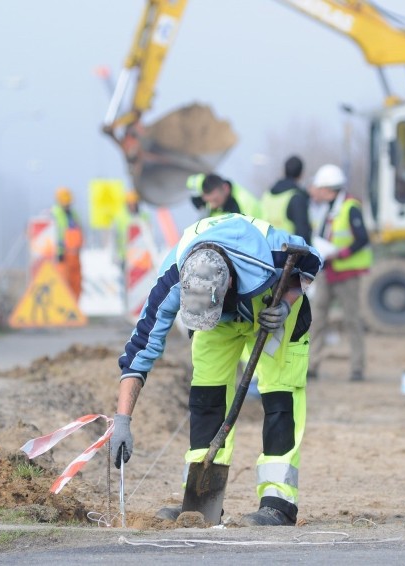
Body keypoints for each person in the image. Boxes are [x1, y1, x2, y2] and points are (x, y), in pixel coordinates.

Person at [109, 213, 322, 526]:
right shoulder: (173, 277)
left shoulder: (271, 251)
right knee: (206, 398)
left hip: (270, 307)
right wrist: (122, 419)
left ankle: (279, 503)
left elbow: (312, 261)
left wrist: (287, 302)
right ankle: (201, 500)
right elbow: (140, 348)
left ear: (229, 285)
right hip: (217, 321)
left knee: (280, 398)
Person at [306, 164, 372, 382]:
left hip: (347, 272)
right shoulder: (325, 208)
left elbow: (362, 238)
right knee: (318, 319)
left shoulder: (350, 207)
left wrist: (341, 254)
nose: (317, 191)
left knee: (352, 320)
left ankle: (357, 368)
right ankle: (312, 364)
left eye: (320, 187)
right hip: (327, 271)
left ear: (329, 189)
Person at [261, 155, 312, 243]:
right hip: (287, 252)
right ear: (301, 174)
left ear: (284, 171)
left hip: (265, 249)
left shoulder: (267, 195)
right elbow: (303, 233)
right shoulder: (297, 197)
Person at [51, 187, 83, 301]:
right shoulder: (54, 214)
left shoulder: (73, 214)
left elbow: (79, 231)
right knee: (62, 284)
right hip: (61, 257)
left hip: (74, 257)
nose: (67, 205)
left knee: (76, 284)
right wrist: (58, 253)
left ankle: (74, 310)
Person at [187, 173, 262, 219]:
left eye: (215, 200)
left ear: (225, 188)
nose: (212, 205)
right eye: (209, 201)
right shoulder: (214, 201)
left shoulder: (244, 204)